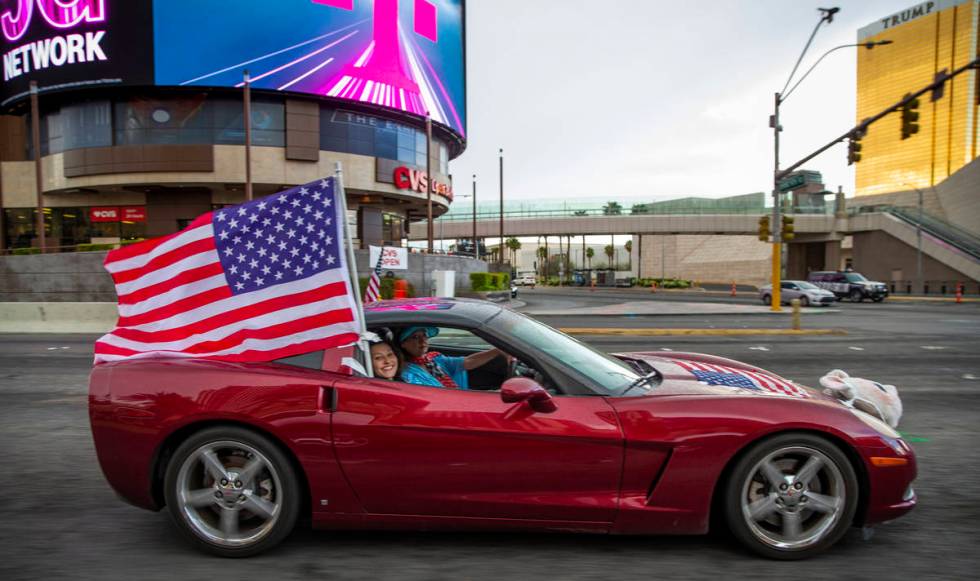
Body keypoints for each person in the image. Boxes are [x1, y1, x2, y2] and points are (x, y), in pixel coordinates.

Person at [398, 326, 507, 389]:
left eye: (424, 336)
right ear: (403, 344)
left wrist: (497, 351)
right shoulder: (407, 372)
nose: (423, 341)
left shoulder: (435, 359)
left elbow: (468, 361)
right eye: (415, 337)